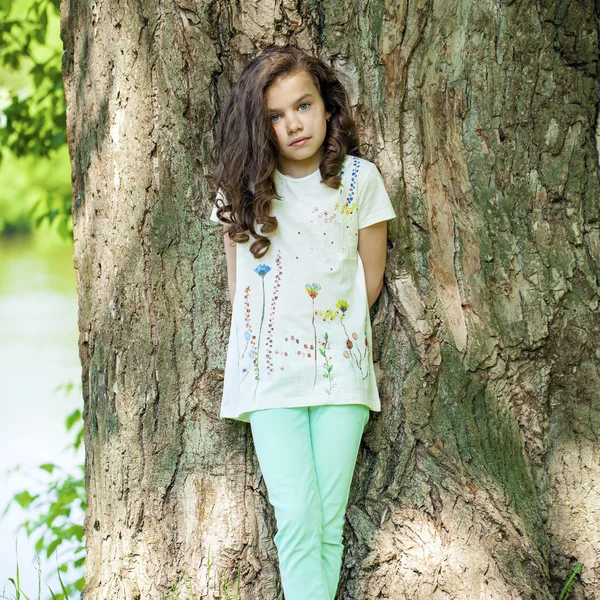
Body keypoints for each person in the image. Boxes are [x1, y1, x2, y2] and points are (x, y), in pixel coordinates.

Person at [208, 45, 396, 600]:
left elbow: (369, 280)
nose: (294, 124)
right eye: (276, 115)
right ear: (259, 125)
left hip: (342, 375)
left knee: (327, 523)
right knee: (295, 516)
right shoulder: (242, 193)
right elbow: (238, 287)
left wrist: (327, 334)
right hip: (269, 379)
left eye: (304, 106)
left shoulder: (360, 181)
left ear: (327, 107)